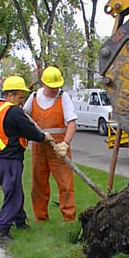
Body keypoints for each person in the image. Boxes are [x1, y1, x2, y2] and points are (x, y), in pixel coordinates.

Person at [0, 75, 53, 241]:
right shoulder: (14, 111)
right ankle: (2, 230)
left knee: (15, 191)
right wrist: (43, 137)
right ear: (10, 95)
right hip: (10, 161)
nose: (21, 101)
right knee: (13, 195)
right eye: (20, 97)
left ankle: (20, 222)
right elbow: (30, 131)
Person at [23, 66, 77, 222]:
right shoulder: (33, 97)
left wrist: (65, 144)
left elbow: (72, 123)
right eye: (52, 87)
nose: (55, 89)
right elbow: (24, 117)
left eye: (57, 86)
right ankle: (41, 218)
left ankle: (69, 218)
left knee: (65, 184)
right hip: (39, 148)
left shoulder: (63, 98)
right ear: (44, 84)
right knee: (38, 184)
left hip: (59, 149)